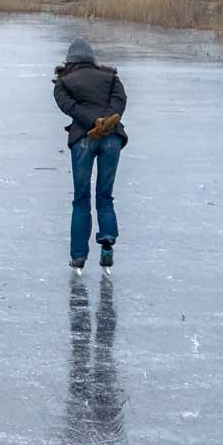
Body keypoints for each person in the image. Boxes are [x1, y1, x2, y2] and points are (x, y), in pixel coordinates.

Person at [53, 38, 127, 272]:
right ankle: (106, 243)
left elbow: (70, 108)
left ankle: (78, 257)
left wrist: (92, 122)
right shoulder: (111, 76)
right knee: (105, 196)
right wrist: (105, 120)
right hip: (111, 138)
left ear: (71, 60)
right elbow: (119, 101)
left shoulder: (63, 82)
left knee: (81, 199)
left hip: (83, 139)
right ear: (91, 58)